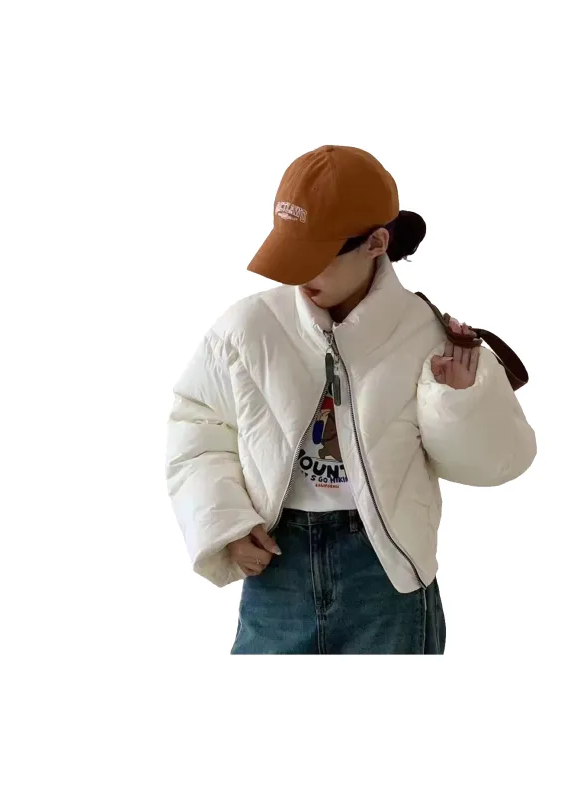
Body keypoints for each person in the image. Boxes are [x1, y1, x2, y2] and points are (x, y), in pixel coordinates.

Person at [164, 145, 537, 654]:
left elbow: (500, 462)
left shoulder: (430, 335)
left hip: (387, 575)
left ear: (376, 243)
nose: (299, 275)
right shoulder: (248, 329)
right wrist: (226, 523)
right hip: (276, 567)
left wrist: (456, 401)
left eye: (314, 258)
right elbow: (196, 426)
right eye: (290, 254)